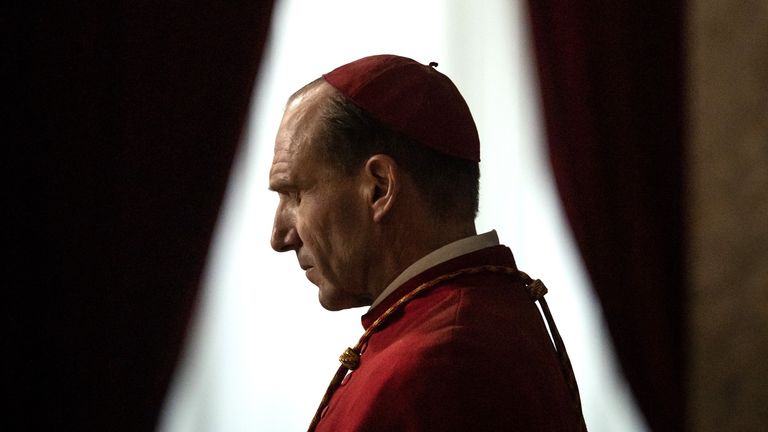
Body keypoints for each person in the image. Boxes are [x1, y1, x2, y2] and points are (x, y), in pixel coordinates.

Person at [269, 54, 587, 431]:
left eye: (294, 194)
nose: (279, 237)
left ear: (379, 188)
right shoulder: (485, 313)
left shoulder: (437, 365)